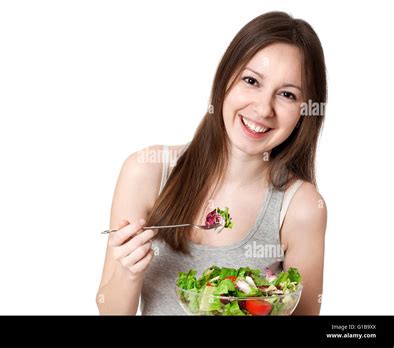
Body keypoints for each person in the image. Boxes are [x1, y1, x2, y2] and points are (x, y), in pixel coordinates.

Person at [96, 11, 327, 315]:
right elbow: (110, 311)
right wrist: (128, 272)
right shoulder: (147, 170)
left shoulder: (302, 206)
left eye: (287, 94)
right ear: (225, 80)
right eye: (251, 80)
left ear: (304, 112)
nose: (262, 108)